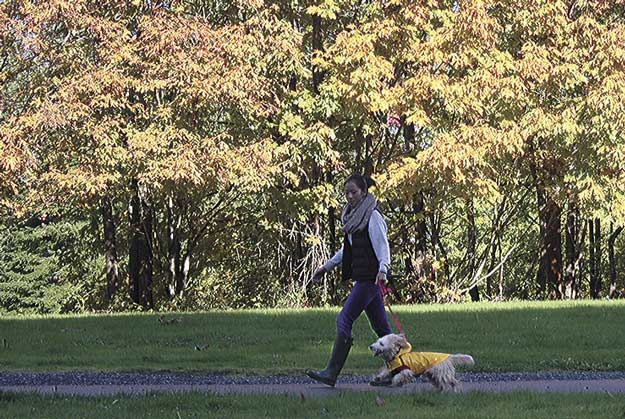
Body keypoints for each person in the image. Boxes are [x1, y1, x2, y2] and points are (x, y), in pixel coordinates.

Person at [305, 174, 393, 387]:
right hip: (364, 279)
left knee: (344, 320)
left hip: (370, 280)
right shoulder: (354, 219)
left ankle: (331, 372)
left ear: (363, 192)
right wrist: (326, 267)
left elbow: (383, 246)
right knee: (382, 329)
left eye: (353, 192)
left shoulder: (372, 217)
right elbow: (348, 250)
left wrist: (383, 270)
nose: (349, 196)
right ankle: (401, 369)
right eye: (346, 193)